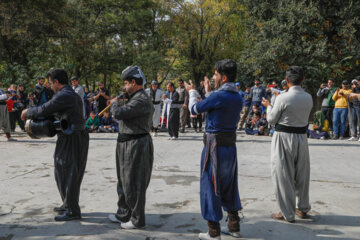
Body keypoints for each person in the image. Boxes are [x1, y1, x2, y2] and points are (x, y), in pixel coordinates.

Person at [21, 68, 89, 221]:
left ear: (57, 82)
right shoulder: (65, 94)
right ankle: (67, 203)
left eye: (51, 83)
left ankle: (73, 210)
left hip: (73, 136)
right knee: (61, 169)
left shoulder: (65, 95)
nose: (49, 85)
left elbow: (45, 109)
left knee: (69, 172)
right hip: (67, 135)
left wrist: (28, 112)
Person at [186, 59, 243, 239]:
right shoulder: (237, 96)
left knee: (210, 185)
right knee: (229, 183)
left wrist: (193, 92)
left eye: (215, 74)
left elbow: (194, 109)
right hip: (230, 147)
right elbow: (217, 106)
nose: (213, 77)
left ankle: (213, 232)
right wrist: (209, 92)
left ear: (223, 77)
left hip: (214, 147)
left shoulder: (218, 97)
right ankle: (234, 226)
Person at [262, 66, 313, 223]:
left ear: (287, 80)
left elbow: (271, 120)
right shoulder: (308, 97)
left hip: (283, 137)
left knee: (283, 175)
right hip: (301, 137)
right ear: (302, 79)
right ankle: (303, 208)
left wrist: (268, 106)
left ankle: (287, 213)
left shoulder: (282, 98)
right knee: (302, 174)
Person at [107, 65, 154, 230]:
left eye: (126, 83)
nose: (124, 87)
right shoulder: (134, 97)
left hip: (136, 144)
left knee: (134, 182)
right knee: (123, 181)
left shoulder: (141, 98)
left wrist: (113, 104)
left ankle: (137, 219)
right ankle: (123, 213)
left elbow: (120, 113)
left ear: (133, 82)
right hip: (125, 143)